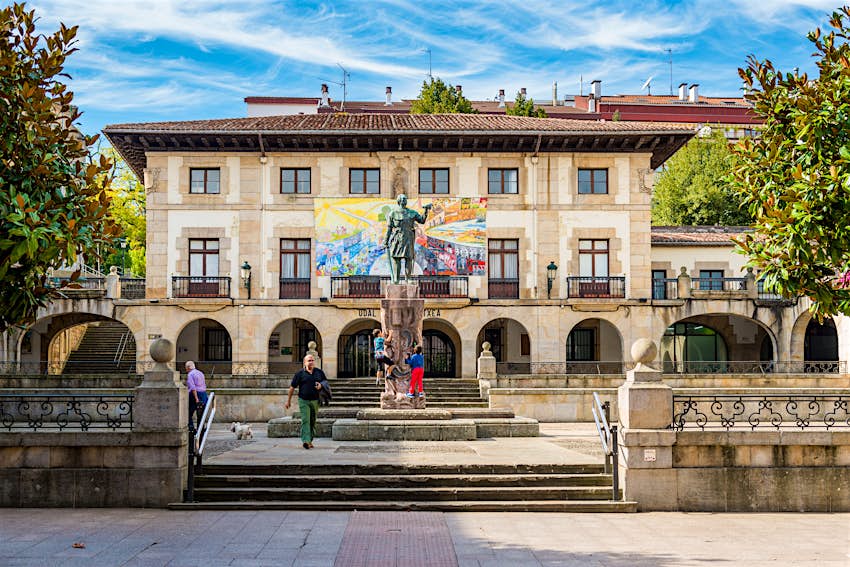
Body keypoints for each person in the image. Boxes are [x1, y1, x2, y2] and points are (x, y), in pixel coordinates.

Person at [384, 194, 432, 284]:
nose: (404, 200)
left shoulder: (412, 213)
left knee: (408, 259)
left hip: (408, 239)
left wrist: (426, 211)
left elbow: (422, 220)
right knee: (396, 259)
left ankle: (408, 279)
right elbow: (389, 228)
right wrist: (385, 241)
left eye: (405, 199)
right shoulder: (393, 213)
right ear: (398, 201)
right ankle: (396, 279)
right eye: (402, 199)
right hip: (397, 239)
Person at [285, 354, 326, 449]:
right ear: (304, 362)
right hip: (303, 400)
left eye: (312, 360)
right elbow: (292, 388)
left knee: (312, 421)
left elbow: (325, 382)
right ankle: (306, 441)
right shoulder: (299, 374)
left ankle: (310, 440)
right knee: (305, 420)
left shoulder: (319, 372)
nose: (311, 362)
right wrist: (288, 401)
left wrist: (321, 385)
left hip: (315, 400)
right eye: (309, 360)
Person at [185, 361, 208, 430]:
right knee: (201, 414)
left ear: (188, 367)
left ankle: (191, 428)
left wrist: (196, 398)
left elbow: (193, 388)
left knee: (188, 413)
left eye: (186, 368)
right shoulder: (200, 373)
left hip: (195, 394)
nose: (186, 369)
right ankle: (201, 428)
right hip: (203, 394)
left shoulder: (190, 374)